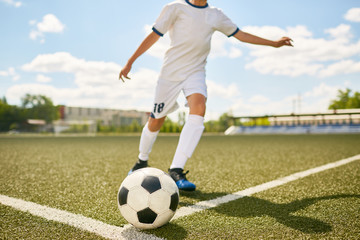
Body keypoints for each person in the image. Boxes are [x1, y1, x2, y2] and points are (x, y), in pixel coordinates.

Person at [119, 0, 292, 191]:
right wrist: (130, 61)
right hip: (170, 74)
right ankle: (141, 160)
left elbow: (240, 35)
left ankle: (176, 170)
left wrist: (274, 43)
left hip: (195, 72)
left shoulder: (215, 14)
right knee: (156, 121)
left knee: (199, 108)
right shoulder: (175, 7)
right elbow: (154, 35)